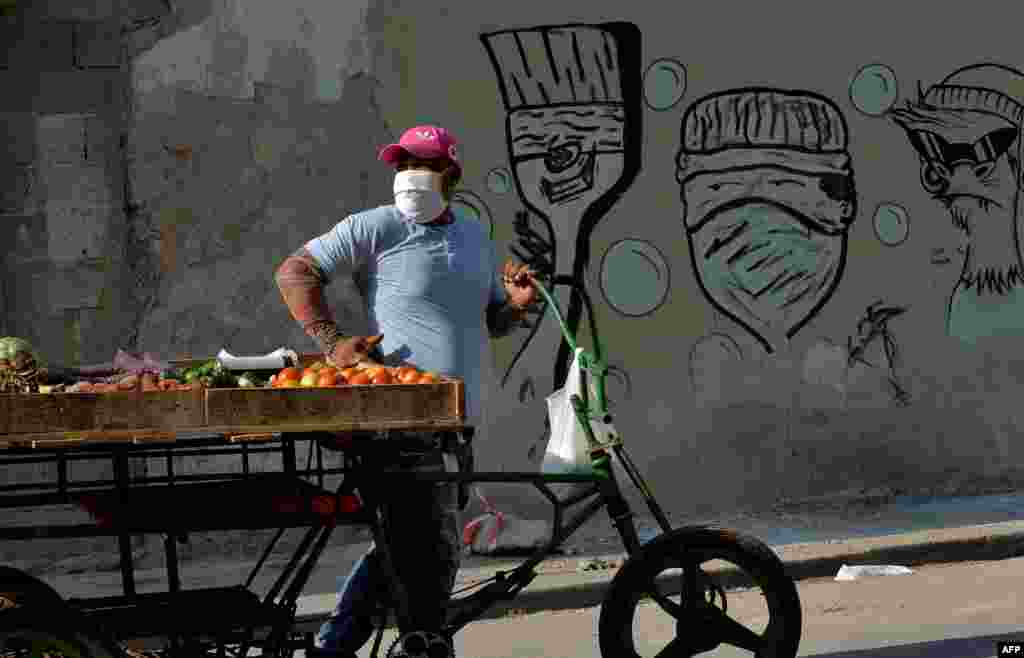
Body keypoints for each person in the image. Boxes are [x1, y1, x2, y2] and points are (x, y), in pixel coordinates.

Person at [274, 125, 537, 657]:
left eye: (424, 165)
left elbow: (490, 321)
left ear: (451, 175)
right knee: (431, 546)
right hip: (399, 421)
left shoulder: (473, 235)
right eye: (403, 165)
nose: (410, 175)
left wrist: (516, 305)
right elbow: (295, 272)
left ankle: (336, 645)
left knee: (403, 545)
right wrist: (333, 343)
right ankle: (424, 642)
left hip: (457, 422)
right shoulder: (376, 226)